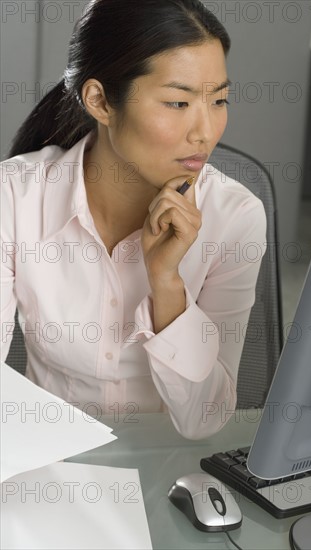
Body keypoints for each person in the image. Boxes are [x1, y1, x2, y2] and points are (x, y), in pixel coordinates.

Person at [1, 0, 267, 439]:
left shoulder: (235, 217)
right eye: (178, 103)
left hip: (172, 472)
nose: (205, 131)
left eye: (219, 99)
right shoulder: (14, 196)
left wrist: (167, 285)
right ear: (100, 101)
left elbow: (206, 419)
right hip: (49, 464)